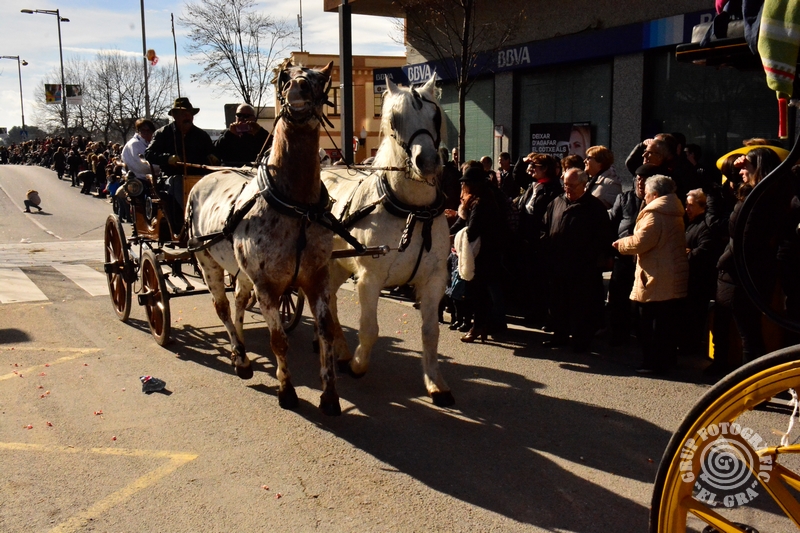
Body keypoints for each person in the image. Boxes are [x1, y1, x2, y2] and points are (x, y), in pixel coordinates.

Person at [708, 147, 782, 378]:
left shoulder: (756, 200)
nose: (741, 172)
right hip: (748, 272)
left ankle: (752, 382)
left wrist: (725, 261)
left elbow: (744, 240)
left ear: (758, 169)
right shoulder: (769, 195)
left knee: (748, 333)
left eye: (746, 167)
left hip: (741, 273)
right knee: (746, 330)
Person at [613, 175, 689, 375]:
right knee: (666, 322)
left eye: (646, 194)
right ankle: (667, 360)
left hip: (655, 274)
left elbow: (641, 242)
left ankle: (652, 362)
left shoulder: (655, 213)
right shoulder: (674, 210)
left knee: (649, 322)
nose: (644, 197)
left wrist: (621, 244)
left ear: (655, 194)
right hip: (669, 273)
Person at [542, 167, 612, 352]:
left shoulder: (594, 207)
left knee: (581, 306)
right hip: (557, 264)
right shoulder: (556, 202)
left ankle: (581, 341)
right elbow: (545, 227)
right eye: (565, 185)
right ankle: (559, 335)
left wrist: (590, 257)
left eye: (572, 186)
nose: (568, 189)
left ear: (584, 185)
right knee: (558, 303)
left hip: (582, 267)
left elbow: (603, 238)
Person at [449, 166, 504, 342]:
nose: (463, 186)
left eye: (465, 183)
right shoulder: (477, 199)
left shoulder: (480, 202)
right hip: (485, 252)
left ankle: (478, 326)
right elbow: (461, 222)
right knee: (481, 292)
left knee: (479, 292)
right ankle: (482, 325)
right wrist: (447, 233)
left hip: (483, 254)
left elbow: (472, 230)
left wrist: (453, 238)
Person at [145, 97, 216, 231]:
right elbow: (149, 154)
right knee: (178, 182)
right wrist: (167, 159)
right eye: (183, 114)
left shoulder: (202, 135)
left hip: (199, 177)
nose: (187, 117)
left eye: (190, 113)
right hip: (171, 178)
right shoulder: (162, 134)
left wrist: (213, 157)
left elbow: (212, 153)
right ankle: (191, 219)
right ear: (175, 116)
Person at [607, 163, 659, 345]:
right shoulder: (625, 199)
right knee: (618, 297)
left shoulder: (657, 204)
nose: (640, 183)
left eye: (645, 180)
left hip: (646, 260)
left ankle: (640, 335)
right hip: (623, 257)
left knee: (642, 300)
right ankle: (617, 335)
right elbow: (612, 225)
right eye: (638, 179)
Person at [682, 188, 720, 356]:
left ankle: (691, 347)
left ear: (702, 206)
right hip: (689, 278)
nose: (687, 209)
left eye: (691, 205)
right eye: (686, 205)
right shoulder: (690, 223)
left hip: (699, 280)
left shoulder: (705, 226)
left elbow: (704, 251)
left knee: (695, 315)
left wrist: (687, 254)